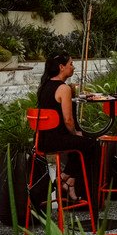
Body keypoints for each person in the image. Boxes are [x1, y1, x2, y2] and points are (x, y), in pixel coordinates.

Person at [34, 53, 101, 205]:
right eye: (71, 64)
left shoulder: (44, 85)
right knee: (92, 144)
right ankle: (64, 178)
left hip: (42, 139)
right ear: (61, 67)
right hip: (56, 140)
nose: (73, 67)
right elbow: (68, 120)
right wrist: (75, 133)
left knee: (81, 144)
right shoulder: (63, 88)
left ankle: (69, 182)